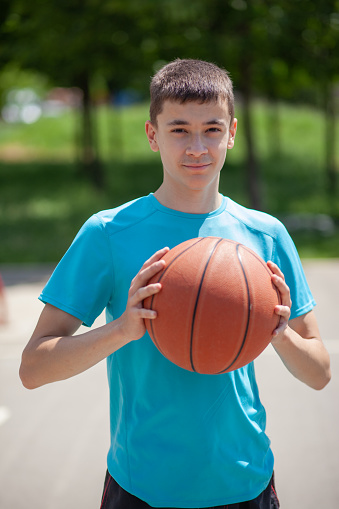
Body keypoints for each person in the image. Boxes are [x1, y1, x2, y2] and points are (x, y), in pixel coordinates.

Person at [20, 59, 331, 509]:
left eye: (212, 129)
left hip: (246, 481)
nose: (197, 147)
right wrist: (123, 328)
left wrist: (280, 335)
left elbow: (320, 373)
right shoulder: (108, 233)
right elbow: (33, 368)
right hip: (141, 485)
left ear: (232, 132)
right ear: (152, 135)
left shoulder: (265, 235)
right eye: (180, 129)